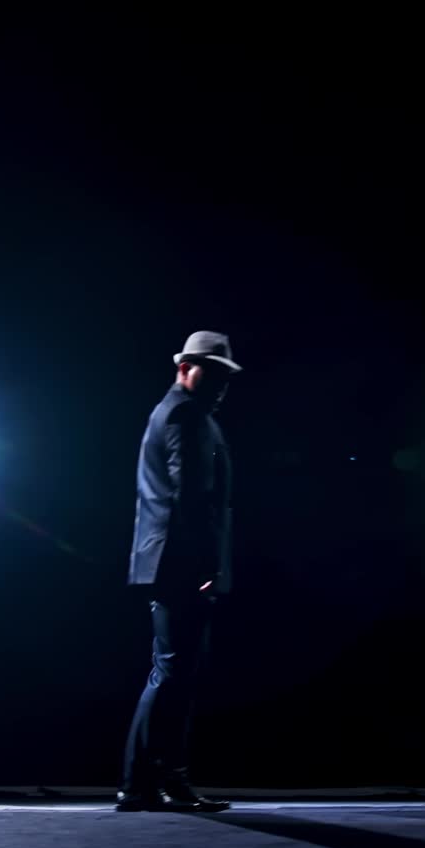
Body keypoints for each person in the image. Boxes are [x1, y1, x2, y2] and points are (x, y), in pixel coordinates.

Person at [117, 331, 241, 812]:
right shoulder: (185, 415)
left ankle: (152, 783)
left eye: (227, 377)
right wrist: (206, 562)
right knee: (173, 673)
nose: (222, 385)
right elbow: (188, 493)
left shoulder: (181, 413)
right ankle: (153, 782)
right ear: (185, 368)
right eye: (215, 373)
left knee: (173, 672)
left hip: (172, 558)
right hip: (179, 560)